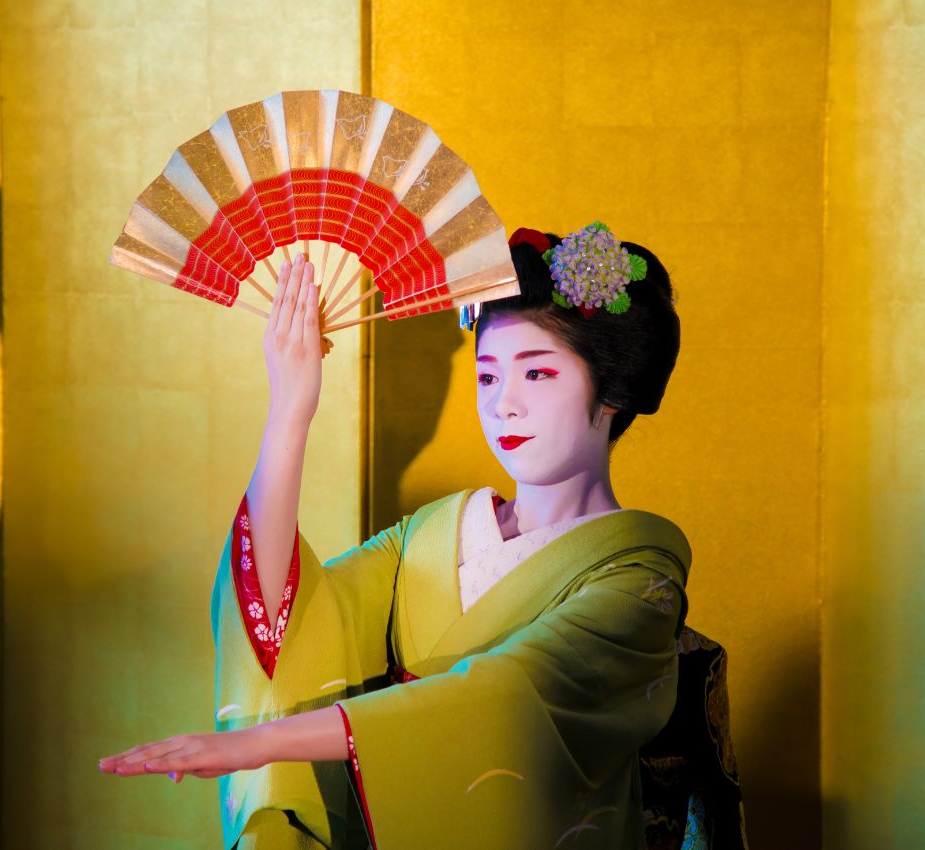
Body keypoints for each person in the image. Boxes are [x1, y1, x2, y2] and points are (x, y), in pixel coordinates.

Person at [100, 222, 690, 850]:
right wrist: (290, 412)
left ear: (613, 392)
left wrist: (255, 743)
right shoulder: (434, 534)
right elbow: (283, 618)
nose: (504, 405)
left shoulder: (639, 579)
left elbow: (506, 699)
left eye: (537, 374)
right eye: (488, 377)